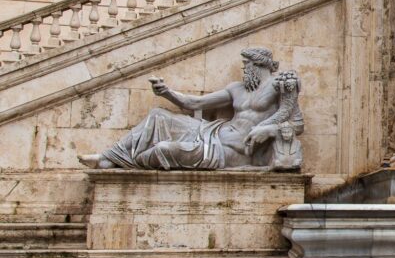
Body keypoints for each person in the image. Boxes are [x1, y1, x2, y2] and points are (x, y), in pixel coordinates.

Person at [78, 48, 303, 170]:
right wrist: (166, 92)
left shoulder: (279, 86)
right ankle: (108, 157)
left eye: (246, 65)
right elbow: (195, 104)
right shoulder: (236, 88)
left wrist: (268, 130)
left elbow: (296, 123)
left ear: (258, 65)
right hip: (212, 131)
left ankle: (127, 163)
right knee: (158, 116)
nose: (244, 70)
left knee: (165, 149)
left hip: (233, 152)